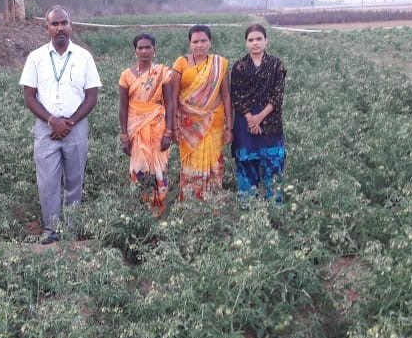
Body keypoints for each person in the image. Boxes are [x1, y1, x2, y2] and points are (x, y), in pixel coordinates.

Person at [20, 5, 101, 244]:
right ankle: (51, 229)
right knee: (48, 181)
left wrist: (70, 122)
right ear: (47, 28)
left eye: (64, 23)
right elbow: (29, 97)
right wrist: (52, 120)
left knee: (75, 180)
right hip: (46, 129)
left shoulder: (84, 57)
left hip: (76, 127)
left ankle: (71, 227)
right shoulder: (35, 58)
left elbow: (92, 96)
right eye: (54, 24)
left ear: (70, 25)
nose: (60, 28)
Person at [171, 24, 232, 200]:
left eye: (203, 41)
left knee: (214, 162)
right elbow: (173, 97)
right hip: (189, 124)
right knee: (192, 163)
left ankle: (213, 204)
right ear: (190, 44)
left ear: (210, 43)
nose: (199, 45)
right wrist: (173, 125)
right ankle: (192, 203)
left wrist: (230, 127)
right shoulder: (181, 63)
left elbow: (226, 95)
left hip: (215, 122)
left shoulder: (219, 64)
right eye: (195, 41)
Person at [118, 33, 176, 216]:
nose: (144, 51)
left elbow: (170, 103)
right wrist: (124, 136)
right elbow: (123, 107)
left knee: (159, 170)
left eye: (147, 47)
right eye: (140, 47)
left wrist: (168, 133)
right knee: (138, 170)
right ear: (135, 50)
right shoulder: (126, 76)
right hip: (135, 128)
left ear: (154, 50)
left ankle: (158, 212)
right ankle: (140, 214)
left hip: (158, 128)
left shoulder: (162, 73)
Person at [229, 24, 288, 200]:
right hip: (244, 124)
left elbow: (277, 96)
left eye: (259, 39)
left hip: (270, 122)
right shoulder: (239, 67)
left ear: (266, 41)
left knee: (274, 166)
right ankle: (249, 212)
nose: (255, 43)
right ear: (246, 43)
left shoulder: (276, 65)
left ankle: (275, 211)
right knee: (247, 166)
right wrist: (250, 119)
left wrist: (259, 118)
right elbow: (237, 97)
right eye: (251, 40)